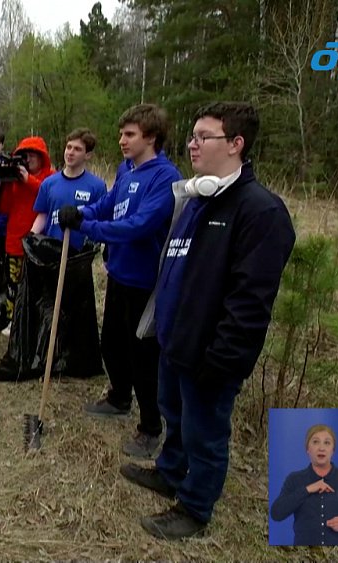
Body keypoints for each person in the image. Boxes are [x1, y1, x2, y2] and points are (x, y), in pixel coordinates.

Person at [119, 102, 296, 540]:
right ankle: (170, 471)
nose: (192, 144)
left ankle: (195, 508)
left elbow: (251, 302)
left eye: (204, 136)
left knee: (206, 433)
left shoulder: (259, 212)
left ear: (236, 144)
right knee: (175, 418)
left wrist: (222, 359)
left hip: (210, 355)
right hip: (175, 342)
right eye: (192, 136)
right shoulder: (198, 198)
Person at [57, 105, 182, 460]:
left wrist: (86, 227)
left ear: (151, 137)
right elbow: (108, 204)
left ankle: (150, 427)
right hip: (119, 274)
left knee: (143, 356)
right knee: (111, 343)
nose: (122, 140)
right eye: (122, 133)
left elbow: (139, 226)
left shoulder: (165, 177)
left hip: (145, 282)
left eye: (130, 134)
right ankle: (118, 397)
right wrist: (80, 213)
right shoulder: (126, 170)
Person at [270, 424, 338, 546]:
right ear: (307, 449)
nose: (321, 448)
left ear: (333, 450)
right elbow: (276, 513)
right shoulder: (295, 479)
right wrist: (307, 489)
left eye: (327, 443)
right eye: (315, 442)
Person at [0, 135, 54, 336]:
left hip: (39, 242)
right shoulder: (15, 179)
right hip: (15, 239)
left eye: (31, 156)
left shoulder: (50, 177)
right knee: (14, 284)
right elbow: (4, 208)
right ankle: (13, 320)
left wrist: (28, 180)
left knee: (36, 286)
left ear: (41, 157)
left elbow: (48, 196)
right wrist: (5, 181)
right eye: (24, 156)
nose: (27, 161)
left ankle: (35, 321)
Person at [30, 128, 107, 251]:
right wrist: (32, 235)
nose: (70, 152)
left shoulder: (97, 186)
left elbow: (101, 221)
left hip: (80, 256)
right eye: (68, 147)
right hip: (51, 252)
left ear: (88, 155)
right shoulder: (49, 183)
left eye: (77, 149)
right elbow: (43, 214)